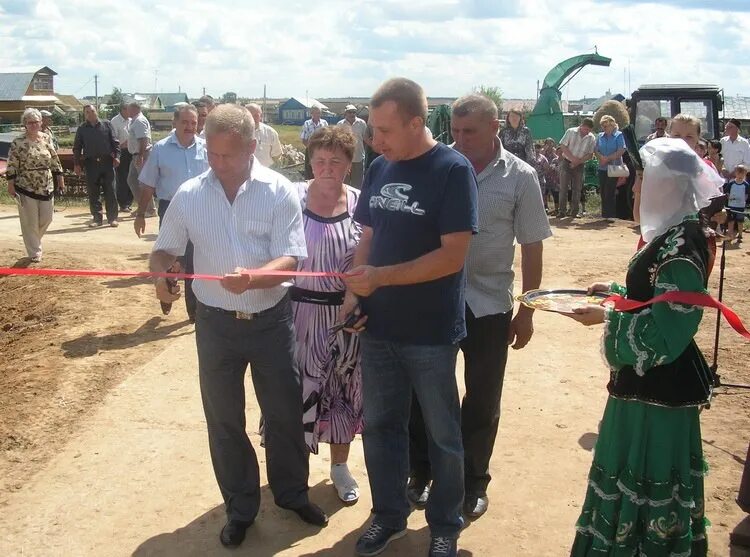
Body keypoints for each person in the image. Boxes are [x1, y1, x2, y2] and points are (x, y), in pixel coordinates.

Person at [149, 104, 327, 549]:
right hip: (214, 325)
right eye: (212, 152)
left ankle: (290, 495)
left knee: (285, 414)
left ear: (251, 146)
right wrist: (161, 275)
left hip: (271, 320)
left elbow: (292, 258)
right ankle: (240, 507)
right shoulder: (190, 195)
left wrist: (255, 276)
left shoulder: (280, 191)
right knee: (224, 420)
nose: (217, 162)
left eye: (227, 154)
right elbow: (164, 249)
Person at [567, 138, 723, 556]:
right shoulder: (672, 235)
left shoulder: (682, 246)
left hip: (658, 392)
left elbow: (670, 331)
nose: (634, 190)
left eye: (642, 182)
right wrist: (617, 292)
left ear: (666, 186)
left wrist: (609, 317)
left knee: (645, 472)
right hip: (645, 386)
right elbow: (655, 298)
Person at [342, 77, 478, 557]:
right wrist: (355, 294)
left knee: (443, 433)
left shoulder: (451, 169)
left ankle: (445, 522)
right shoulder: (380, 167)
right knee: (381, 426)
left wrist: (380, 278)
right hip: (379, 327)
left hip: (430, 332)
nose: (374, 141)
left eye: (384, 130)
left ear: (416, 123)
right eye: (374, 131)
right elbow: (368, 233)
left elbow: (452, 257)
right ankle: (389, 515)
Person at [408, 94, 551, 522]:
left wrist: (527, 308)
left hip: (489, 305)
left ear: (495, 129)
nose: (461, 139)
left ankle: (474, 483)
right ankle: (422, 471)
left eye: (470, 131)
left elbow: (532, 245)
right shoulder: (437, 168)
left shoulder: (521, 177)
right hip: (434, 300)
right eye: (455, 130)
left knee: (483, 398)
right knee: (424, 394)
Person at [287, 125, 364, 503]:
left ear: (349, 165)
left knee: (343, 395)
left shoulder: (362, 204)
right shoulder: (291, 198)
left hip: (347, 320)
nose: (327, 167)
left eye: (336, 160)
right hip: (297, 316)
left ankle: (339, 468)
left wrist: (363, 304)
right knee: (296, 393)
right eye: (319, 159)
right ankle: (293, 471)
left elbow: (373, 262)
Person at [135, 105, 207, 322]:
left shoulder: (206, 148)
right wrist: (140, 214)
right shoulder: (160, 149)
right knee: (169, 259)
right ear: (174, 123)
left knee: (195, 260)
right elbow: (148, 184)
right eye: (185, 122)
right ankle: (165, 294)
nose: (189, 127)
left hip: (199, 209)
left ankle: (194, 312)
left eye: (193, 123)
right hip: (170, 208)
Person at [5, 108, 64, 262]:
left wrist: (60, 177)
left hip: (46, 183)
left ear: (40, 123)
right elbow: (12, 164)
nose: (33, 125)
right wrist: (10, 184)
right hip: (25, 185)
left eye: (36, 122)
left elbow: (54, 158)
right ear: (25, 124)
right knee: (29, 221)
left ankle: (34, 239)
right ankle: (34, 251)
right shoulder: (18, 142)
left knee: (47, 218)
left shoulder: (46, 138)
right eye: (30, 122)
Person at [73, 104, 120, 227]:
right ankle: (97, 218)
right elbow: (77, 148)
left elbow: (115, 142)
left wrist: (117, 157)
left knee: (110, 190)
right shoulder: (82, 129)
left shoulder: (107, 124)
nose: (90, 113)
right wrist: (77, 164)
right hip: (91, 163)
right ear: (85, 114)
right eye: (87, 112)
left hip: (107, 162)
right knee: (93, 192)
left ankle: (112, 218)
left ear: (96, 111)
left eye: (92, 111)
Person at [558, 118, 596, 218]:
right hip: (566, 162)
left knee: (577, 189)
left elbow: (590, 154)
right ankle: (562, 211)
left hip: (580, 165)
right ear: (581, 125)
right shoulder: (570, 131)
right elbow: (563, 146)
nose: (586, 132)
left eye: (588, 130)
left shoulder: (591, 138)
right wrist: (572, 159)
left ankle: (574, 212)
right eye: (585, 129)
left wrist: (578, 161)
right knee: (563, 188)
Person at [594, 115, 626, 219]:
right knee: (603, 191)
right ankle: (604, 215)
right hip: (602, 167)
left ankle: (611, 215)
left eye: (606, 125)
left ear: (612, 125)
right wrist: (601, 158)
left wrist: (607, 159)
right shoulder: (600, 136)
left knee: (610, 191)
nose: (604, 128)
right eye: (602, 126)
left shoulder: (619, 135)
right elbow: (596, 150)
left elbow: (621, 150)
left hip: (614, 167)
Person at [126, 102, 154, 217]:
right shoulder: (135, 120)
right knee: (132, 180)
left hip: (142, 155)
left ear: (134, 109)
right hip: (136, 155)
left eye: (129, 109)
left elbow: (144, 139)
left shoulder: (139, 121)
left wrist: (141, 155)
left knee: (144, 182)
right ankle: (142, 206)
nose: (127, 111)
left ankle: (150, 209)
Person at [337, 104, 368, 188]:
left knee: (358, 184)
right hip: (345, 158)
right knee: (344, 184)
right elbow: (338, 142)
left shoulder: (362, 123)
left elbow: (365, 139)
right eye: (350, 112)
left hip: (358, 158)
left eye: (354, 112)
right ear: (345, 113)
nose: (352, 114)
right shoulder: (340, 124)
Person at [110, 103, 133, 211]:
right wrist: (121, 145)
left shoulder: (131, 120)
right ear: (123, 110)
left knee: (132, 177)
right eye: (129, 110)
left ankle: (129, 202)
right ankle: (123, 203)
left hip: (132, 152)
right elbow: (111, 139)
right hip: (121, 152)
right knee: (123, 178)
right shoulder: (115, 121)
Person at [246, 103, 282, 167]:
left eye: (256, 115)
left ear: (261, 116)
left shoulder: (271, 133)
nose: (252, 118)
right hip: (242, 175)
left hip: (265, 174)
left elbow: (276, 155)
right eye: (249, 115)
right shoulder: (235, 133)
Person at [301, 105, 328, 179]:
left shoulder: (324, 123)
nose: (317, 115)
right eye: (315, 113)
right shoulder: (307, 123)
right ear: (311, 113)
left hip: (322, 151)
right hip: (310, 150)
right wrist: (311, 150)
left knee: (321, 169)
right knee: (309, 171)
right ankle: (309, 188)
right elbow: (304, 139)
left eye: (318, 113)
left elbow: (327, 137)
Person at [725, 164, 749, 243]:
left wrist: (743, 201)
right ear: (735, 173)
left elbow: (746, 194)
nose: (740, 175)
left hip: (740, 206)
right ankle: (730, 235)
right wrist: (730, 199)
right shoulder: (731, 184)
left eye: (743, 174)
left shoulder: (746, 185)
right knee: (730, 221)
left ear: (745, 174)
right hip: (731, 206)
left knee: (740, 221)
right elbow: (727, 193)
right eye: (739, 173)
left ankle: (740, 234)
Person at [542, 138, 560, 214]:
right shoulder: (543, 152)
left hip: (554, 176)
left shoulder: (555, 151)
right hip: (545, 175)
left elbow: (558, 158)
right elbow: (539, 157)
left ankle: (556, 209)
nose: (549, 145)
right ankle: (545, 207)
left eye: (551, 143)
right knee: (544, 192)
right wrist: (544, 150)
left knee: (555, 192)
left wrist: (553, 152)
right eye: (548, 143)